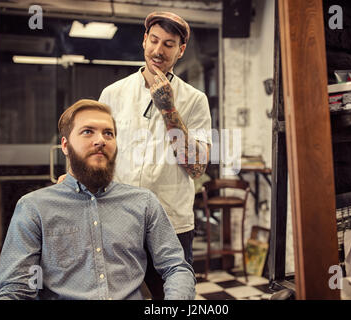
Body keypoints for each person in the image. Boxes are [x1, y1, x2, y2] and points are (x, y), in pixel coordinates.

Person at [0, 99, 196, 300]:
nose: (101, 140)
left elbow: (176, 267)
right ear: (65, 146)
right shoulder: (34, 208)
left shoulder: (143, 203)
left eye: (108, 133)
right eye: (87, 132)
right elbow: (16, 289)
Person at [98, 11, 212, 299]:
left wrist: (168, 108)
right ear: (144, 40)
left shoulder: (195, 100)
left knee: (171, 298)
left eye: (169, 44)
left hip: (171, 224)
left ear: (181, 50)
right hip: (118, 222)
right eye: (154, 40)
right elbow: (97, 154)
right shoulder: (112, 94)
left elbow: (198, 167)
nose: (158, 51)